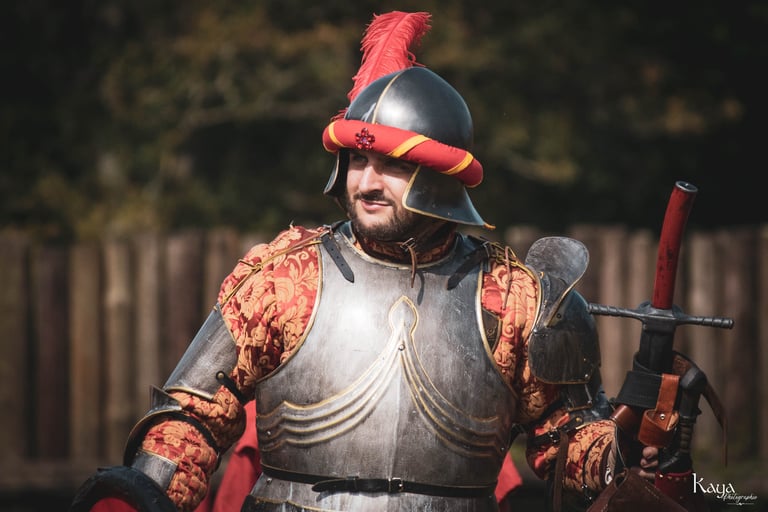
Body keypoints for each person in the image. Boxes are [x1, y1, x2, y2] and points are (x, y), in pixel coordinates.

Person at [70, 10, 660, 512]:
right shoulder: (284, 279)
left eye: (392, 165)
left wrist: (631, 437)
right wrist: (142, 496)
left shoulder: (512, 298)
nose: (367, 182)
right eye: (357, 161)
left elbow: (569, 450)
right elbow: (192, 419)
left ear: (440, 177)